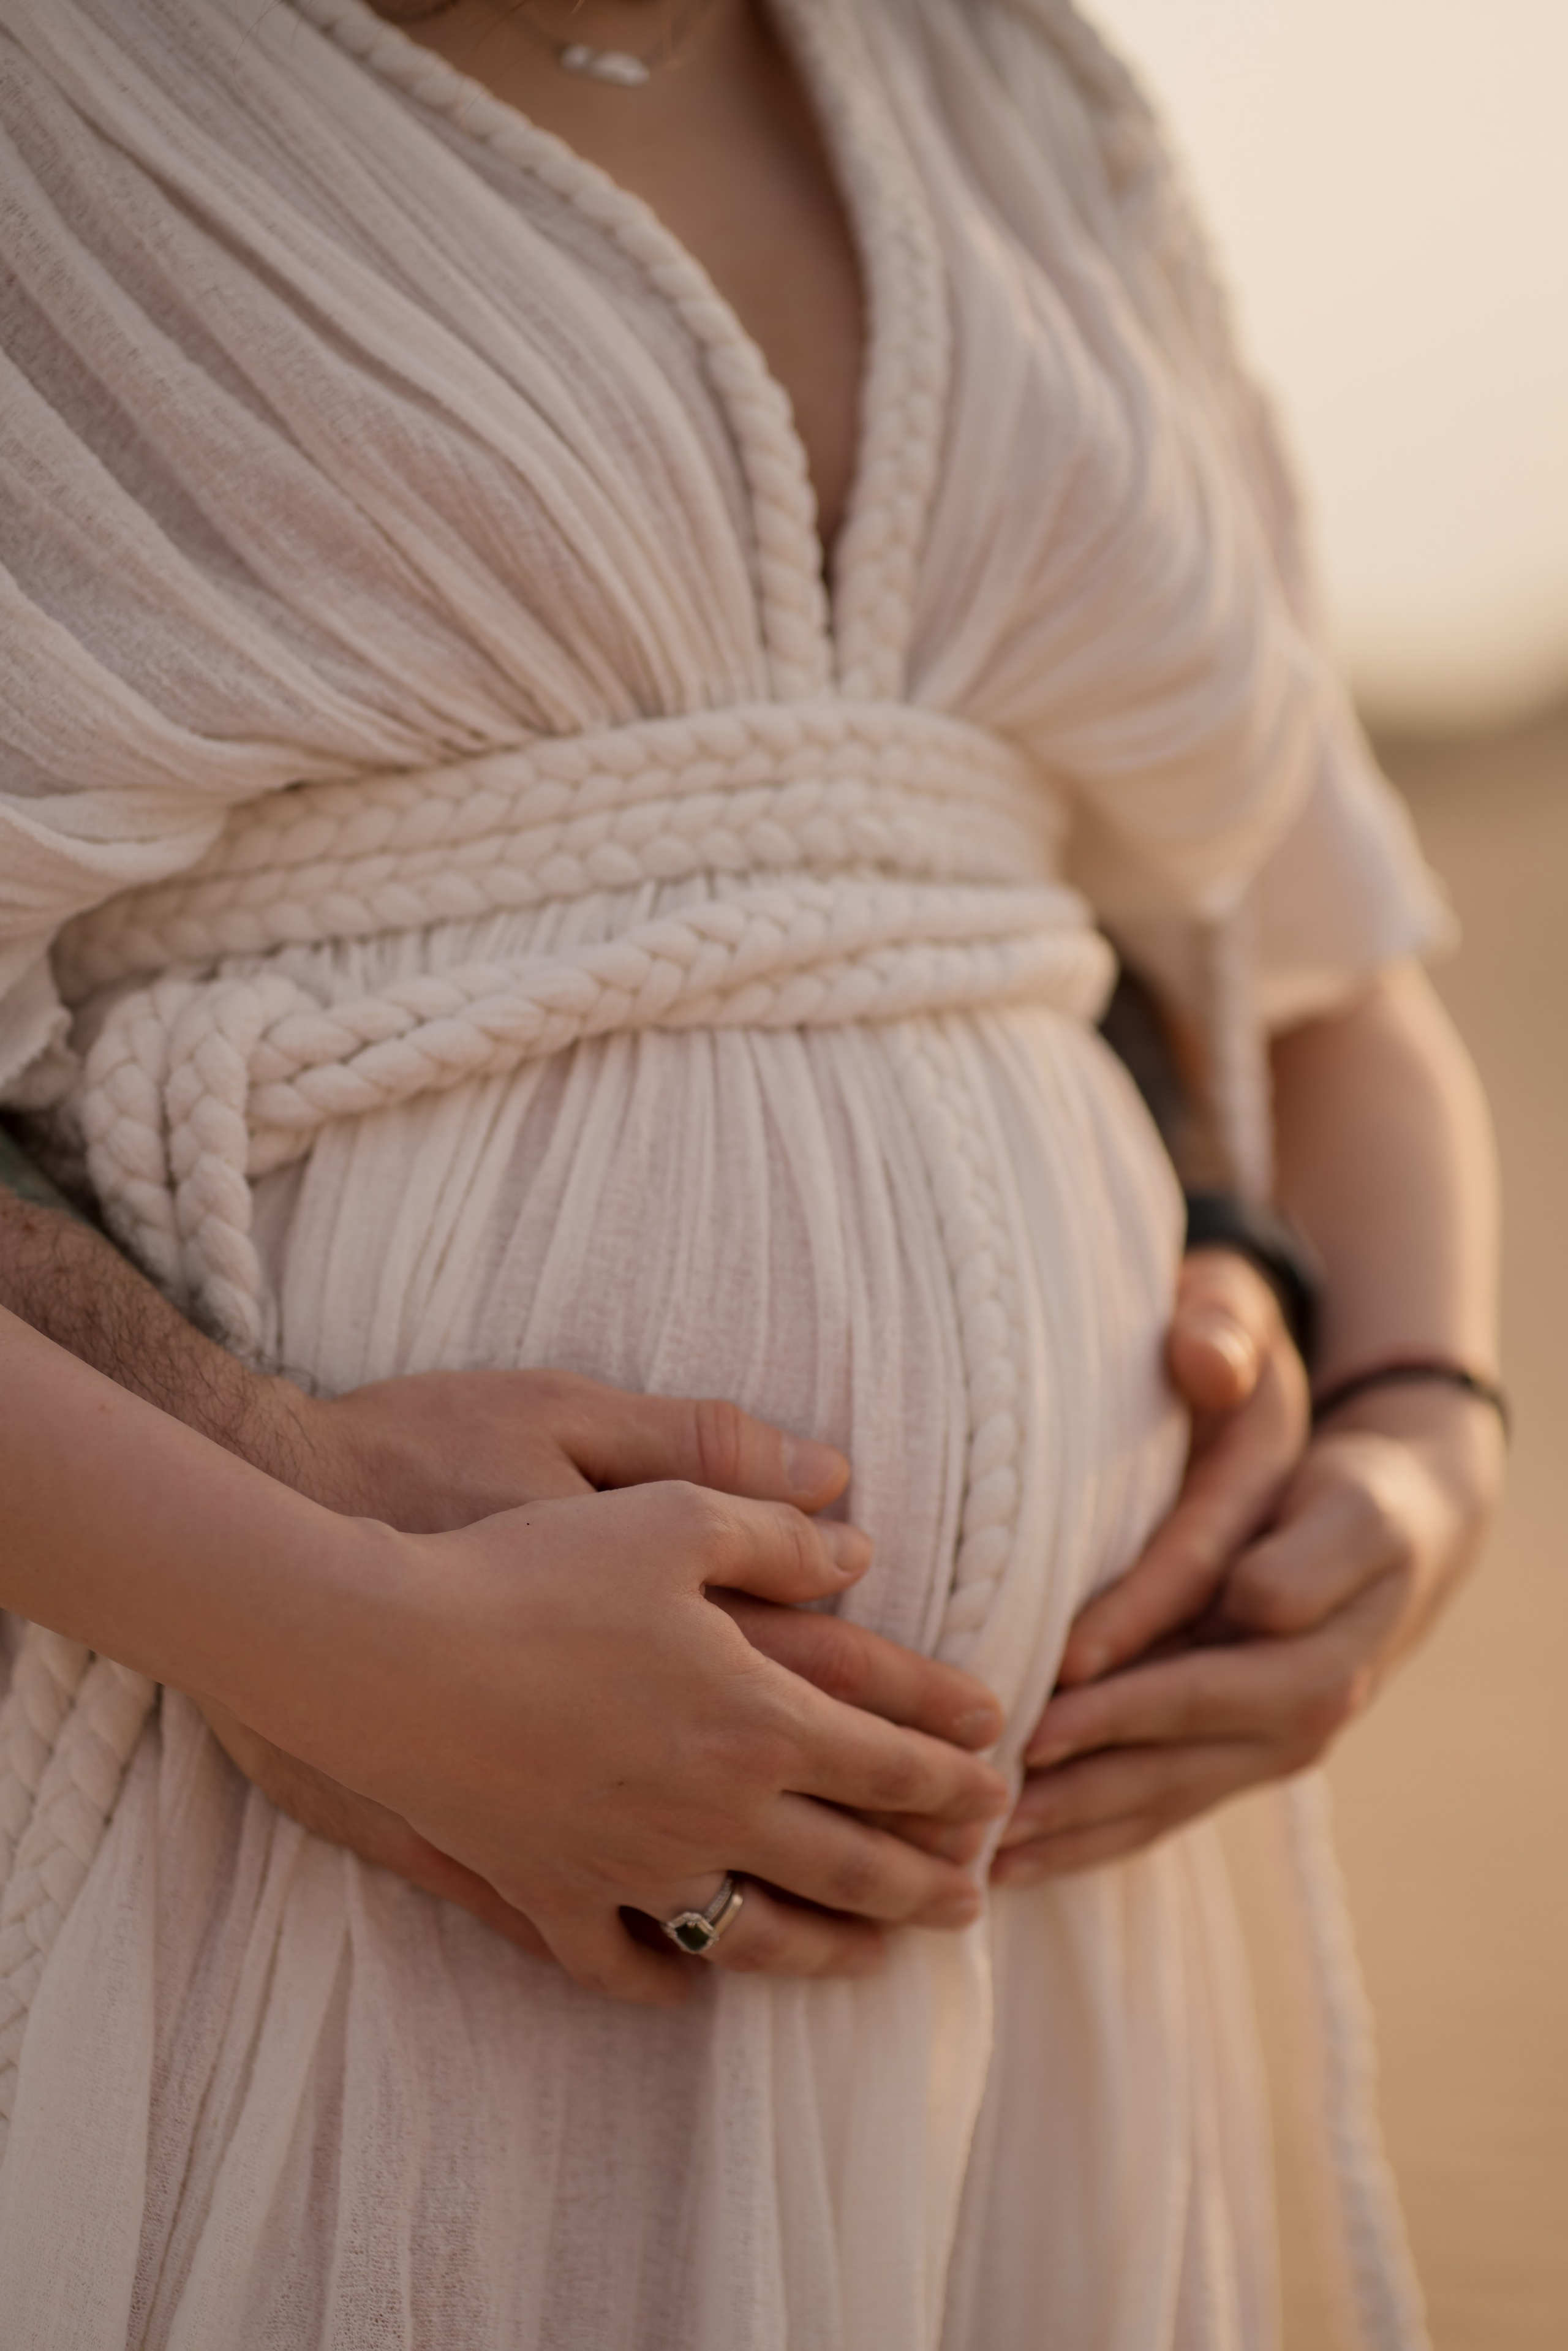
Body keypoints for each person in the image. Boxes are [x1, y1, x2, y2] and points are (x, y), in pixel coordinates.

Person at [0, 0, 1502, 2342]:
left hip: (1045, 1939)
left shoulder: (1025, 99)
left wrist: (1421, 1444)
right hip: (323, 1861)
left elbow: (1319, 971)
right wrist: (307, 1619)